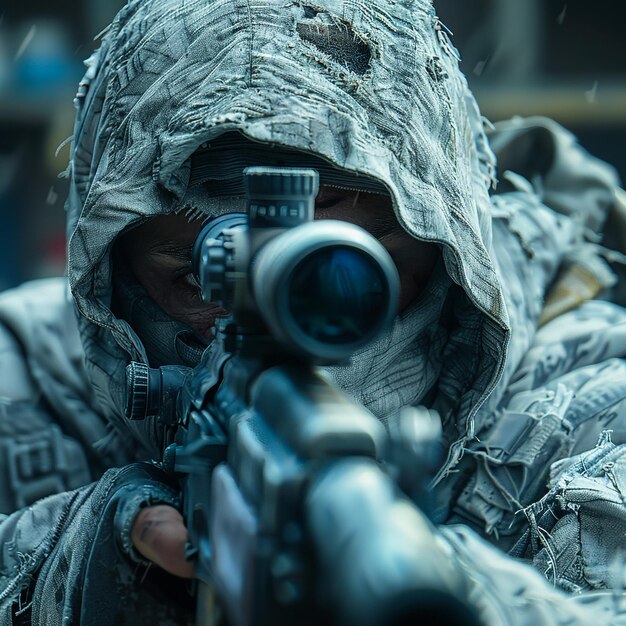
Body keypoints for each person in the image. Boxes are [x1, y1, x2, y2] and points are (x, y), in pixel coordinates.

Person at [1, 0, 625, 624]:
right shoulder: (29, 381)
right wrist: (72, 561)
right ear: (112, 276)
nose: (286, 311)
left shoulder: (595, 413)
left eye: (344, 268)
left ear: (448, 255)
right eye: (201, 277)